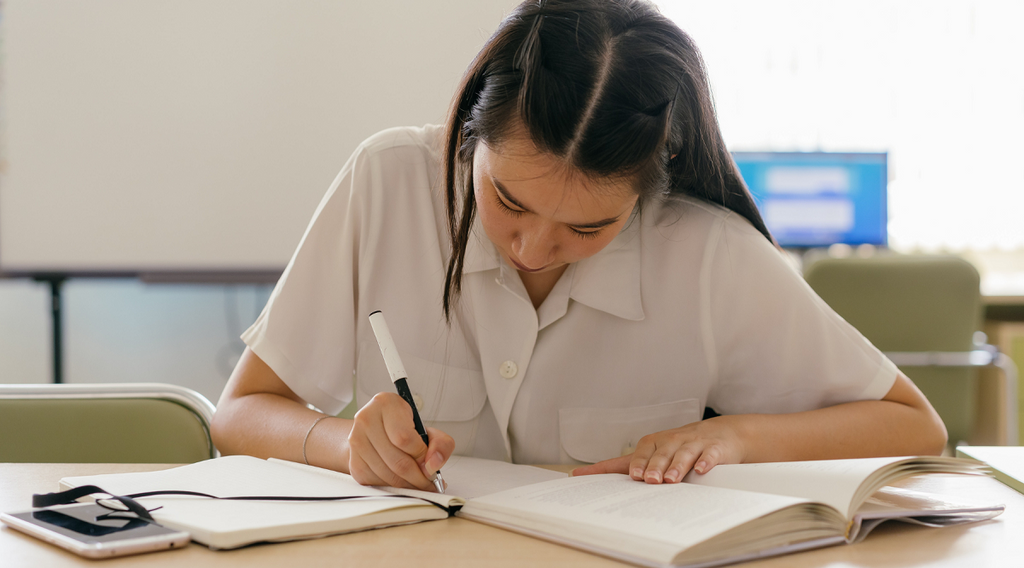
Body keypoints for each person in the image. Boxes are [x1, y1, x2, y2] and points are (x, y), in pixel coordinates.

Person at [211, 0, 946, 493]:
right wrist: (343, 445)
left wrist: (739, 439)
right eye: (507, 200)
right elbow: (240, 413)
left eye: (588, 228)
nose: (533, 248)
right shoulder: (387, 182)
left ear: (649, 188)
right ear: (473, 131)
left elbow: (916, 427)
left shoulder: (706, 252)